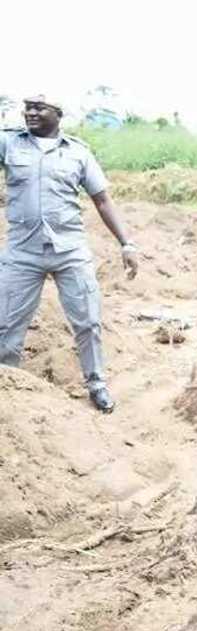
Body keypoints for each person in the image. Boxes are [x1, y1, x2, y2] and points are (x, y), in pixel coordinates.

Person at [0, 95, 140, 413]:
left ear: (58, 114)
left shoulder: (78, 152)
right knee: (6, 324)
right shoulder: (9, 143)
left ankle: (97, 384)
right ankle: (7, 389)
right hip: (22, 252)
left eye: (39, 108)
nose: (30, 112)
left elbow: (102, 200)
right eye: (27, 107)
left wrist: (126, 243)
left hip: (70, 251)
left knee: (88, 321)